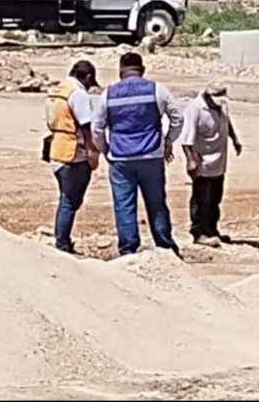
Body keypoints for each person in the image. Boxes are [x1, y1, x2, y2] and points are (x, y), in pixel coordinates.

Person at [92, 52, 184, 256]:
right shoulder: (157, 90)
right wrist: (168, 141)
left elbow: (96, 127)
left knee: (124, 205)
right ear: (142, 69)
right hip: (152, 156)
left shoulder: (109, 94)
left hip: (121, 158)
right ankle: (165, 247)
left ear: (120, 70)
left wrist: (105, 149)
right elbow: (178, 118)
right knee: (156, 203)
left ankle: (128, 250)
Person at [44, 60, 101, 255]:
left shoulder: (58, 90)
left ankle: (63, 239)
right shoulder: (78, 94)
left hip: (56, 150)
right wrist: (92, 152)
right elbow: (86, 126)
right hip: (73, 153)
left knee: (67, 200)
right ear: (87, 77)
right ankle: (62, 243)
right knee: (69, 201)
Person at [180, 81, 243, 248]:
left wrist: (234, 138)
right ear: (207, 96)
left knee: (215, 197)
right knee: (202, 198)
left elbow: (226, 122)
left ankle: (212, 230)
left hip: (219, 160)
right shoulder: (195, 109)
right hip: (202, 161)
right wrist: (190, 160)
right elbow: (186, 140)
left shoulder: (221, 104)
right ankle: (199, 232)